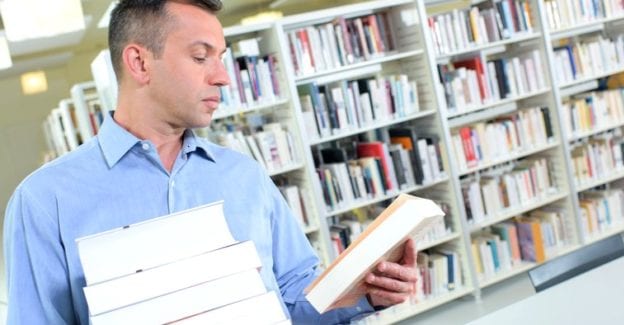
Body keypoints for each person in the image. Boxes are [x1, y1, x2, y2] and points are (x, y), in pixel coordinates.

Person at [3, 1, 419, 324]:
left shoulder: (243, 176)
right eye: (202, 57)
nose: (223, 77)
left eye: (222, 58)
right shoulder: (44, 200)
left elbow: (292, 298)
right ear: (139, 63)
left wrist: (363, 292)